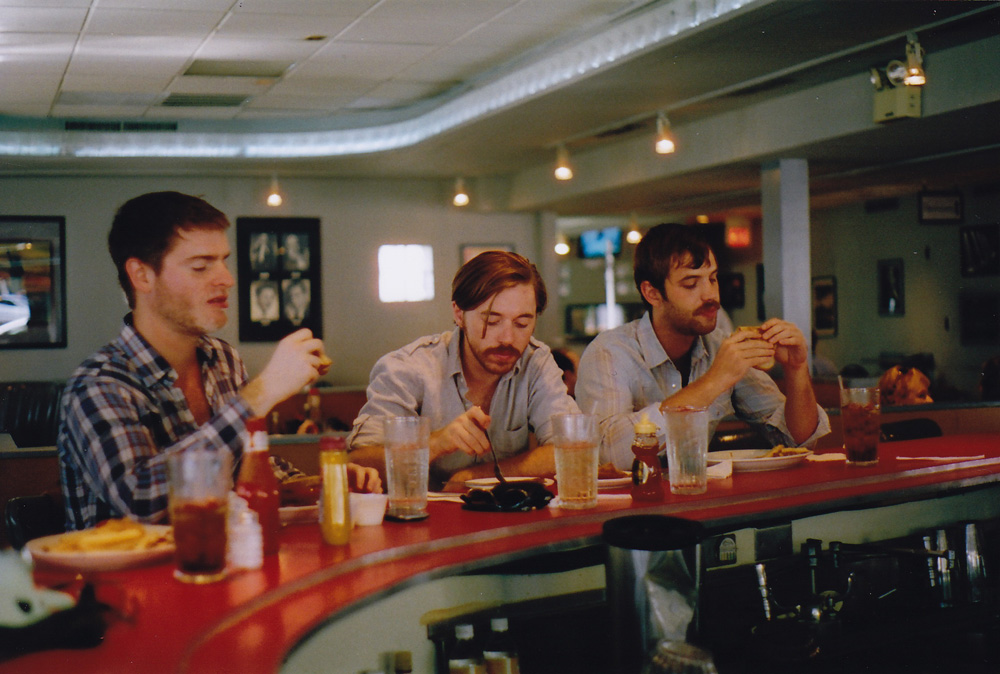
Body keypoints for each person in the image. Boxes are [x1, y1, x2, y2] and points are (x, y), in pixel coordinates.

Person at [58, 191, 379, 530]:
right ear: (142, 276)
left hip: (225, 559)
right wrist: (260, 394)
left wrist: (321, 483)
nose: (227, 279)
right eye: (201, 266)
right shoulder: (98, 384)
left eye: (224, 261)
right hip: (134, 565)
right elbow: (140, 500)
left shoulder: (223, 360)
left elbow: (245, 467)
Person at [576, 223, 830, 469]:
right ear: (652, 293)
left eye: (713, 278)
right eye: (691, 284)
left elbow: (798, 439)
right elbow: (607, 456)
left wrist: (797, 368)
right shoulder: (609, 352)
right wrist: (714, 381)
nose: (710, 294)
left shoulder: (719, 344)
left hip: (699, 493)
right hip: (633, 498)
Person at [348, 251, 580, 489]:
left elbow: (575, 448)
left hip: (509, 511)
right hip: (424, 512)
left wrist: (474, 477)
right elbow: (358, 462)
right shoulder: (408, 368)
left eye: (522, 323)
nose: (508, 338)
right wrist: (434, 444)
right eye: (491, 321)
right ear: (459, 314)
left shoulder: (536, 362)